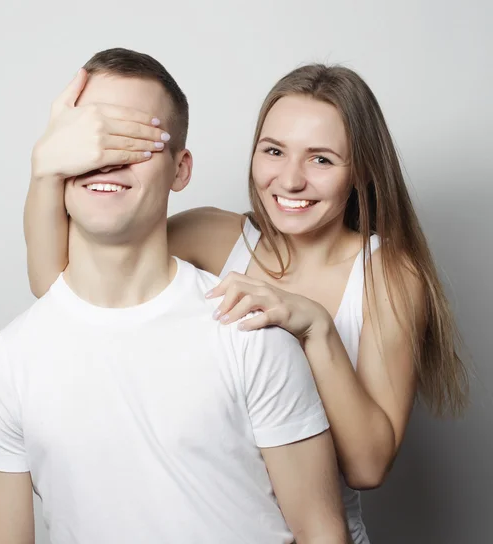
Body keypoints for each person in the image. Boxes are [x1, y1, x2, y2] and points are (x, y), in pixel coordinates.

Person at [23, 54, 470, 543]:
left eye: (321, 159)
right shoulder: (213, 236)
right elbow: (60, 287)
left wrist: (316, 327)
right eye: (274, 151)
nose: (291, 179)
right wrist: (47, 167)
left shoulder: (387, 274)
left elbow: (368, 465)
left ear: (361, 171)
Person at [0, 48, 351, 544]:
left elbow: (323, 530)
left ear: (180, 169)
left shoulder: (249, 331)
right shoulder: (2, 367)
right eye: (88, 140)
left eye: (135, 140)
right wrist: (44, 167)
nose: (106, 159)